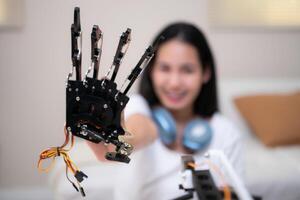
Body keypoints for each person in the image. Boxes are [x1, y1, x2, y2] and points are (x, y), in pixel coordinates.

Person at [87, 22, 243, 200]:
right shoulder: (137, 107)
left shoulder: (226, 133)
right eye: (165, 68)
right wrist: (109, 140)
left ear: (205, 72)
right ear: (152, 71)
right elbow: (132, 136)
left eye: (187, 70)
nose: (175, 82)